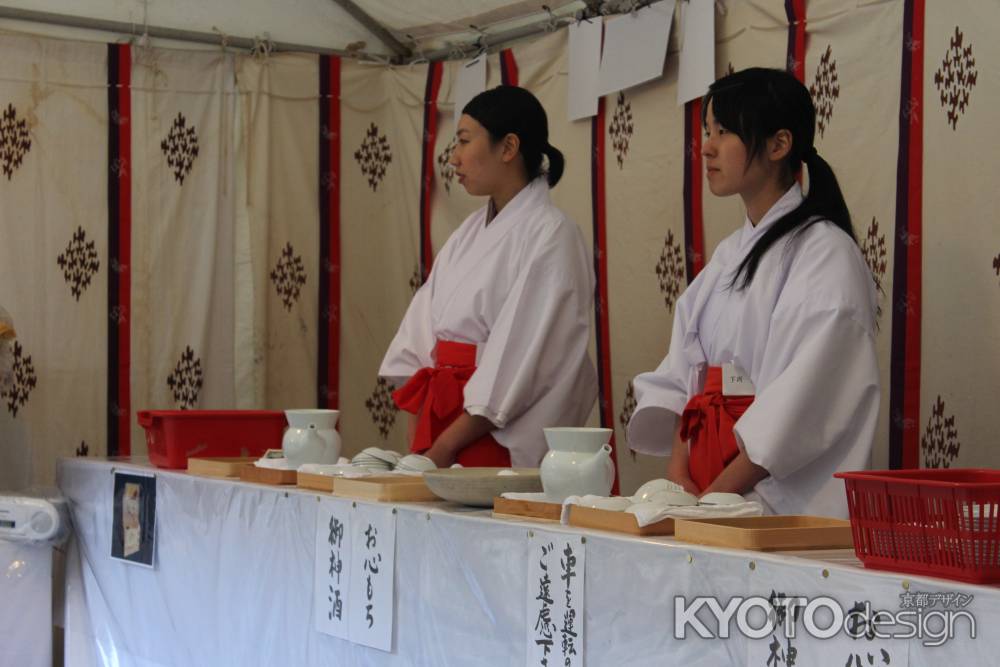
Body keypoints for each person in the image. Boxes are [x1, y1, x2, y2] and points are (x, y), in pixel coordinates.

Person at [627, 68, 879, 518]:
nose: (706, 146)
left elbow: (803, 400)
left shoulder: (826, 254)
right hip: (708, 487)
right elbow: (687, 374)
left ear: (778, 145)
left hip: (771, 498)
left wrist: (715, 498)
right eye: (707, 131)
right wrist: (682, 474)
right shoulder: (728, 255)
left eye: (723, 132)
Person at [379, 85, 597, 468]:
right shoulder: (468, 232)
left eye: (464, 141)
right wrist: (423, 440)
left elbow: (525, 355)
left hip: (493, 434)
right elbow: (418, 335)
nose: (454, 157)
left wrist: (445, 448)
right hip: (440, 424)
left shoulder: (552, 233)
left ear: (508, 147)